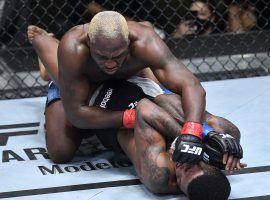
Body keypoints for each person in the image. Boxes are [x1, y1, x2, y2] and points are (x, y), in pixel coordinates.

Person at [27, 11, 245, 198]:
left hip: (96, 95)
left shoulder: (160, 175)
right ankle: (46, 44)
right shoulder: (76, 45)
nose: (182, 166)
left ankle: (52, 68)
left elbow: (80, 114)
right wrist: (197, 133)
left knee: (60, 152)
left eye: (182, 173)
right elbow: (191, 89)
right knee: (176, 105)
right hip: (106, 79)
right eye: (190, 166)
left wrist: (185, 138)